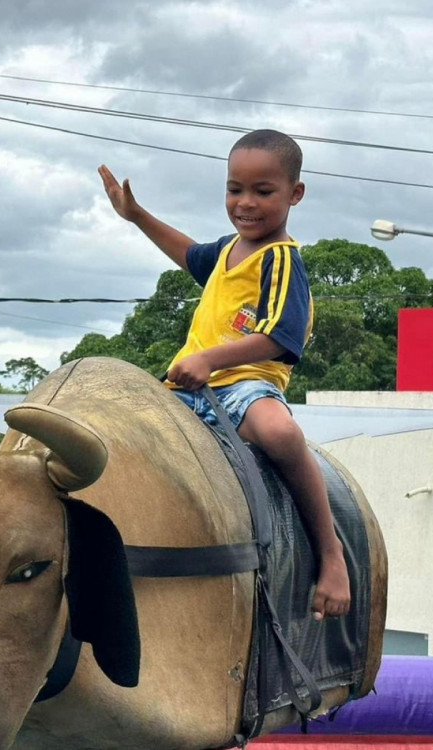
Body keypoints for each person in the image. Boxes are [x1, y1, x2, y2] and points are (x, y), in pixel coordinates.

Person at [98, 129, 351, 620]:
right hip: (186, 389)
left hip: (244, 386)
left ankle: (331, 553)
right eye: (235, 189)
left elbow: (281, 336)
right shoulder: (229, 250)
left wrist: (210, 359)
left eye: (263, 191)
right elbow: (189, 254)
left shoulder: (281, 260)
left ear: (295, 194)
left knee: (280, 432)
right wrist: (136, 216)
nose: (246, 203)